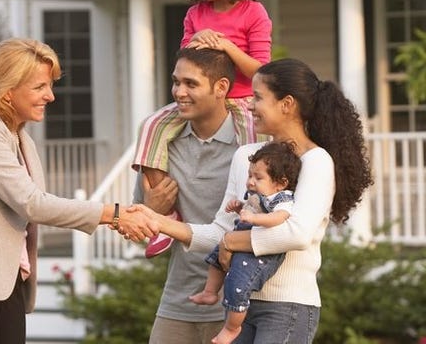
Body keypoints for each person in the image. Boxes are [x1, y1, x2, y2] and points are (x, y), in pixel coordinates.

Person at [131, 57, 374, 344]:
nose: (249, 105)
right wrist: (157, 221)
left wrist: (231, 242)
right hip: (241, 306)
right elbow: (221, 230)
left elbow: (297, 233)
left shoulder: (316, 161)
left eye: (258, 98)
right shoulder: (246, 156)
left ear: (287, 104)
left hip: (289, 308)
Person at [0, 38, 157, 344]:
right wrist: (113, 214)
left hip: (5, 280)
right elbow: (32, 204)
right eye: (40, 87)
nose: (50, 96)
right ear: (7, 91)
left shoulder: (21, 138)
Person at [133, 0, 272, 258]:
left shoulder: (253, 12)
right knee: (152, 125)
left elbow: (262, 71)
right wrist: (199, 39)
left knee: (255, 144)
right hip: (201, 98)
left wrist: (225, 46)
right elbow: (186, 61)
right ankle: (162, 213)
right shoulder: (195, 14)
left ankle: (251, 214)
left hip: (239, 100)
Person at [133, 47, 256, 344]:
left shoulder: (249, 149)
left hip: (241, 305)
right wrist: (151, 210)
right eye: (176, 82)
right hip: (178, 302)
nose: (179, 92)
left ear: (221, 88)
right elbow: (137, 227)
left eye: (191, 83)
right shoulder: (162, 148)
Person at [189, 141, 301, 344]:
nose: (250, 182)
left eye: (258, 177)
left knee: (238, 285)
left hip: (260, 251)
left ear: (281, 182)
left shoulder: (281, 198)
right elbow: (249, 207)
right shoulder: (256, 194)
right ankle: (209, 292)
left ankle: (232, 328)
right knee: (215, 259)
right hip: (242, 241)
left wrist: (254, 219)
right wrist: (238, 205)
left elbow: (279, 218)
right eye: (250, 175)